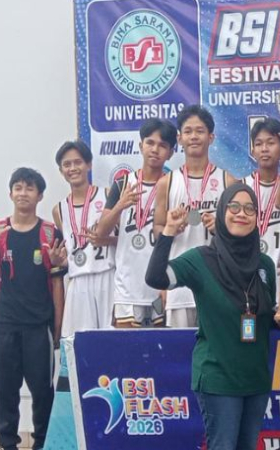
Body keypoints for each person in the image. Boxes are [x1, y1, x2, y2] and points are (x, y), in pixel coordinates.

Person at [145, 183, 276, 450]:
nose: (241, 214)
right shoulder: (200, 260)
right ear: (220, 213)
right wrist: (168, 234)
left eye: (249, 209)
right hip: (217, 377)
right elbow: (156, 277)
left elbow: (270, 318)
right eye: (234, 207)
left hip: (255, 378)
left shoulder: (265, 265)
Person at [0, 168, 67, 450]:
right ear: (10, 193)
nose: (23, 192)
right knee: (5, 390)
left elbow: (57, 282)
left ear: (40, 195)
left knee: (42, 390)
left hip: (38, 324)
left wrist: (57, 328)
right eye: (18, 187)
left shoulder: (51, 233)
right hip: (5, 323)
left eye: (30, 188)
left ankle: (42, 448)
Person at [153, 105, 235, 327]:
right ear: (179, 138)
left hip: (218, 283)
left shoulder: (228, 181)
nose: (194, 136)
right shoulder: (166, 183)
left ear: (211, 136)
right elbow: (157, 229)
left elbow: (239, 234)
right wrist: (172, 229)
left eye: (199, 131)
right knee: (181, 354)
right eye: (188, 131)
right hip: (180, 284)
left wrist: (221, 229)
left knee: (216, 351)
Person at [97, 118, 176, 327]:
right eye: (150, 143)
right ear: (140, 146)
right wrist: (119, 206)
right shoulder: (123, 183)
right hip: (127, 287)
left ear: (171, 153)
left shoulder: (172, 185)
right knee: (127, 356)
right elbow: (100, 233)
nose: (155, 150)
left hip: (162, 285)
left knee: (162, 355)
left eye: (162, 145)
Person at [53, 140, 115, 335]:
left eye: (78, 162)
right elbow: (71, 250)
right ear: (61, 171)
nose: (73, 168)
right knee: (79, 344)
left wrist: (106, 241)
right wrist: (61, 262)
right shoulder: (59, 209)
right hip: (78, 281)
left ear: (89, 164)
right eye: (67, 164)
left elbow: (125, 241)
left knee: (112, 339)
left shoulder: (107, 195)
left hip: (107, 275)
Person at [241, 118, 280, 269]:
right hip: (249, 274)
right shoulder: (241, 188)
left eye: (271, 143)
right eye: (259, 144)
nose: (264, 149)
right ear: (253, 151)